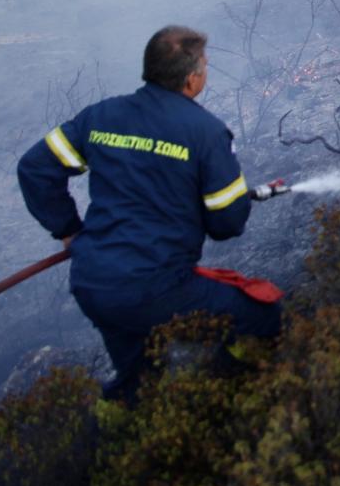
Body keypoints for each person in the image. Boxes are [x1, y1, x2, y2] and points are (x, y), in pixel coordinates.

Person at [17, 25, 280, 402]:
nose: (206, 71)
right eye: (205, 65)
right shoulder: (205, 132)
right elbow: (227, 224)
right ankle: (242, 393)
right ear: (192, 79)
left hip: (93, 285)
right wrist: (214, 202)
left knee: (140, 383)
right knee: (265, 316)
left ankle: (127, 428)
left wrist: (69, 229)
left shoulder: (101, 117)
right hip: (157, 286)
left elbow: (35, 169)